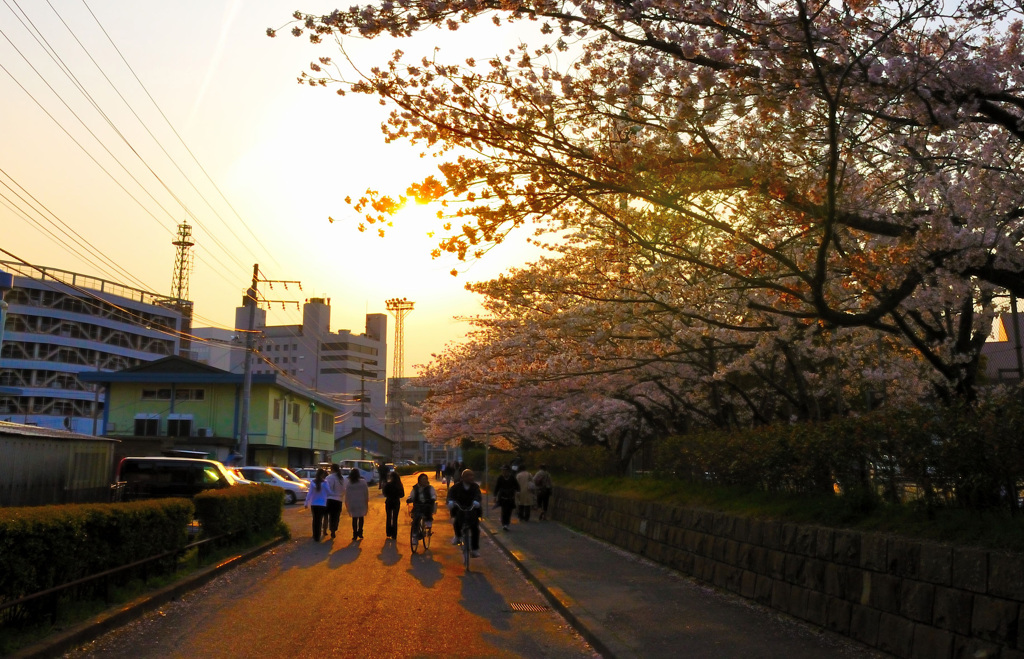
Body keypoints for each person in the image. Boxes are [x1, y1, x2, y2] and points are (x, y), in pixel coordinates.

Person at [446, 468, 482, 557]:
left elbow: (478, 495)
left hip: (472, 509)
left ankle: (475, 549)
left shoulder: (475, 487)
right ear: (463, 478)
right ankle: (457, 536)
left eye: (472, 475)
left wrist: (476, 501)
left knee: (475, 528)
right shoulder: (456, 487)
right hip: (460, 508)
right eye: (468, 476)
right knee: (457, 521)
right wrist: (450, 501)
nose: (471, 477)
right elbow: (450, 495)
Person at [407, 472, 438, 539]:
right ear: (419, 480)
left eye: (425, 479)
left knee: (428, 510)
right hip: (418, 505)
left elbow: (434, 495)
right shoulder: (415, 488)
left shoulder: (430, 488)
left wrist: (432, 499)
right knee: (416, 518)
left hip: (427, 504)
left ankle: (428, 523)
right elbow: (411, 495)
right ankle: (415, 534)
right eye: (423, 479)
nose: (424, 481)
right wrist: (409, 499)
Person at [303, 468, 330, 542]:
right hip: (322, 504)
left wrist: (306, 502)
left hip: (314, 504)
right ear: (322, 474)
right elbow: (329, 492)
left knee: (315, 519)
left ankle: (315, 535)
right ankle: (318, 535)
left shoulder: (312, 482)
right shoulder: (325, 483)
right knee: (319, 519)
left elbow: (309, 493)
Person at [345, 466, 370, 541]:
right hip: (361, 501)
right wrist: (366, 500)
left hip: (353, 502)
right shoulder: (363, 482)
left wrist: (347, 503)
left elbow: (347, 494)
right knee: (361, 517)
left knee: (354, 518)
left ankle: (354, 534)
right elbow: (366, 492)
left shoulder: (349, 483)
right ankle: (360, 532)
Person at [493, 464, 520, 531]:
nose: (503, 472)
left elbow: (517, 486)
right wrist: (495, 496)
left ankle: (507, 524)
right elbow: (497, 487)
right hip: (503, 497)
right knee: (504, 511)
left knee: (509, 511)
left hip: (510, 497)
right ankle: (504, 524)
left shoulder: (512, 478)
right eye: (502, 470)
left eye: (505, 470)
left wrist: (518, 491)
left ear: (508, 471)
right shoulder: (500, 478)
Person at [324, 464, 345, 539]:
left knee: (328, 516)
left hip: (330, 499)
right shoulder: (341, 478)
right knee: (336, 516)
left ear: (332, 469)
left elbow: (327, 488)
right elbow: (343, 489)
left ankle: (326, 529)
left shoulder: (329, 477)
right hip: (338, 500)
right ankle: (333, 529)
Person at [382, 470, 405, 539]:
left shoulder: (388, 485)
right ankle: (394, 534)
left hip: (389, 502)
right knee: (395, 518)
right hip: (396, 502)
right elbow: (402, 495)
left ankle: (389, 532)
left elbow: (385, 494)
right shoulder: (399, 485)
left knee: (389, 517)